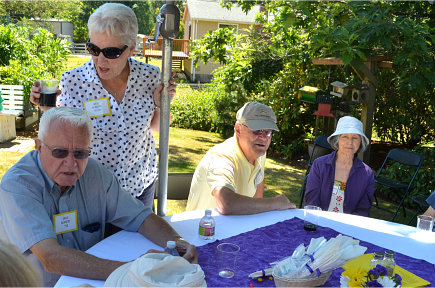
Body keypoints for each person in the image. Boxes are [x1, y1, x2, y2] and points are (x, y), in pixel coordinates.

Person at [0, 107, 197, 286]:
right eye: (59, 152)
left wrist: (177, 241)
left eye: (80, 153)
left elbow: (141, 217)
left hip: (90, 281)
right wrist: (132, 270)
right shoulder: (18, 186)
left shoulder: (96, 175)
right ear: (39, 146)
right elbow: (51, 258)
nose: (71, 163)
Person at [30, 3, 175, 208]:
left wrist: (161, 105)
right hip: (92, 191)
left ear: (132, 48)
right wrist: (46, 108)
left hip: (139, 185)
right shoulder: (73, 81)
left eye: (112, 52)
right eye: (93, 49)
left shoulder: (150, 77)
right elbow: (61, 137)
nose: (100, 61)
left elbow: (156, 127)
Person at [186, 102, 296, 214]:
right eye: (257, 130)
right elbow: (226, 203)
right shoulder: (222, 157)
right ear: (238, 130)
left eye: (268, 132)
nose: (263, 138)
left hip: (234, 227)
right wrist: (275, 203)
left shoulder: (258, 154)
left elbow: (259, 183)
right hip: (203, 229)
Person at [304, 116, 375, 217]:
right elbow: (312, 202)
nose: (350, 142)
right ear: (337, 140)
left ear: (360, 142)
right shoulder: (319, 165)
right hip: (319, 222)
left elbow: (363, 211)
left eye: (355, 138)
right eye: (345, 137)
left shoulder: (367, 174)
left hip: (348, 227)